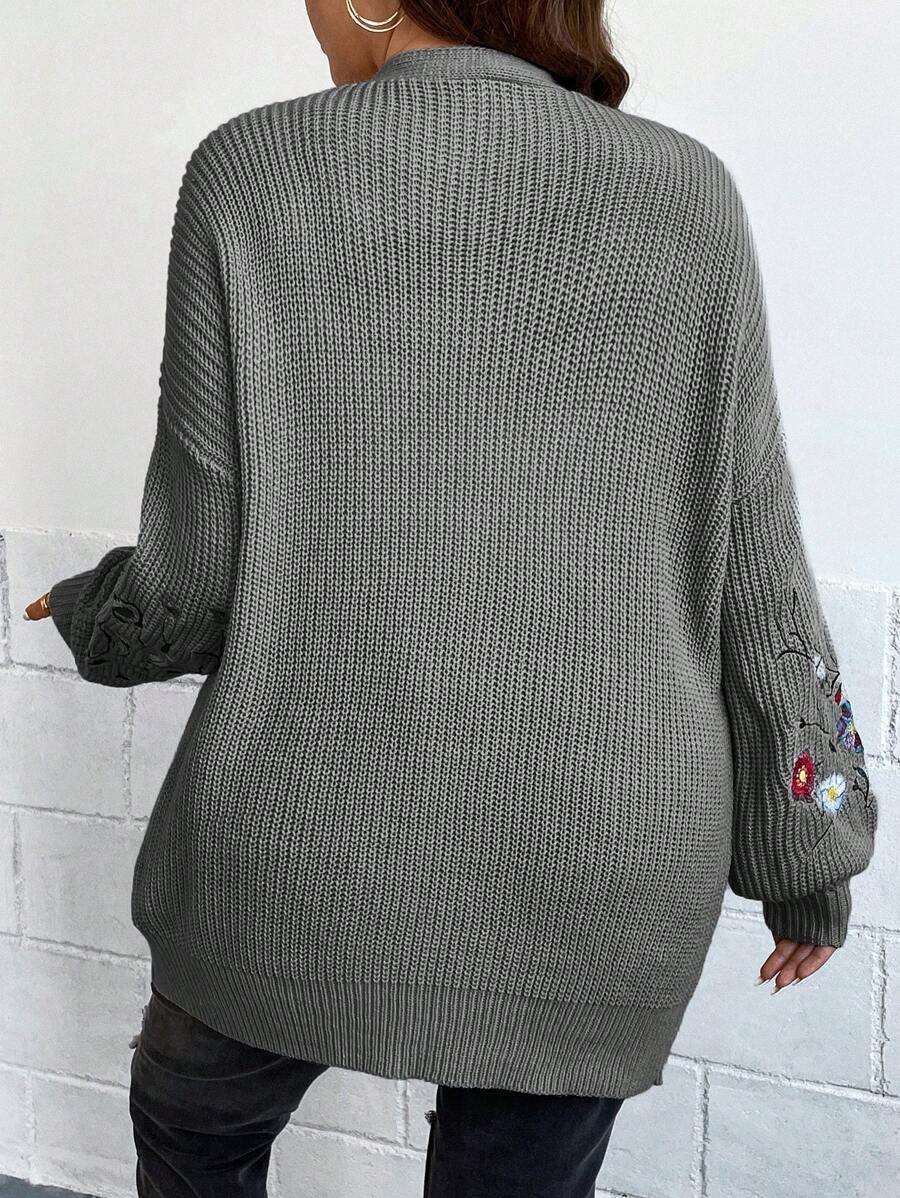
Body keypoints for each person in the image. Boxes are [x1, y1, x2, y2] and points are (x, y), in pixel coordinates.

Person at [25, 1, 879, 1195]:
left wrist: (93, 613)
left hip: (301, 842)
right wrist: (808, 853)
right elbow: (756, 561)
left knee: (192, 1135)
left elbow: (192, 577)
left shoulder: (252, 171)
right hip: (608, 855)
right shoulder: (689, 194)